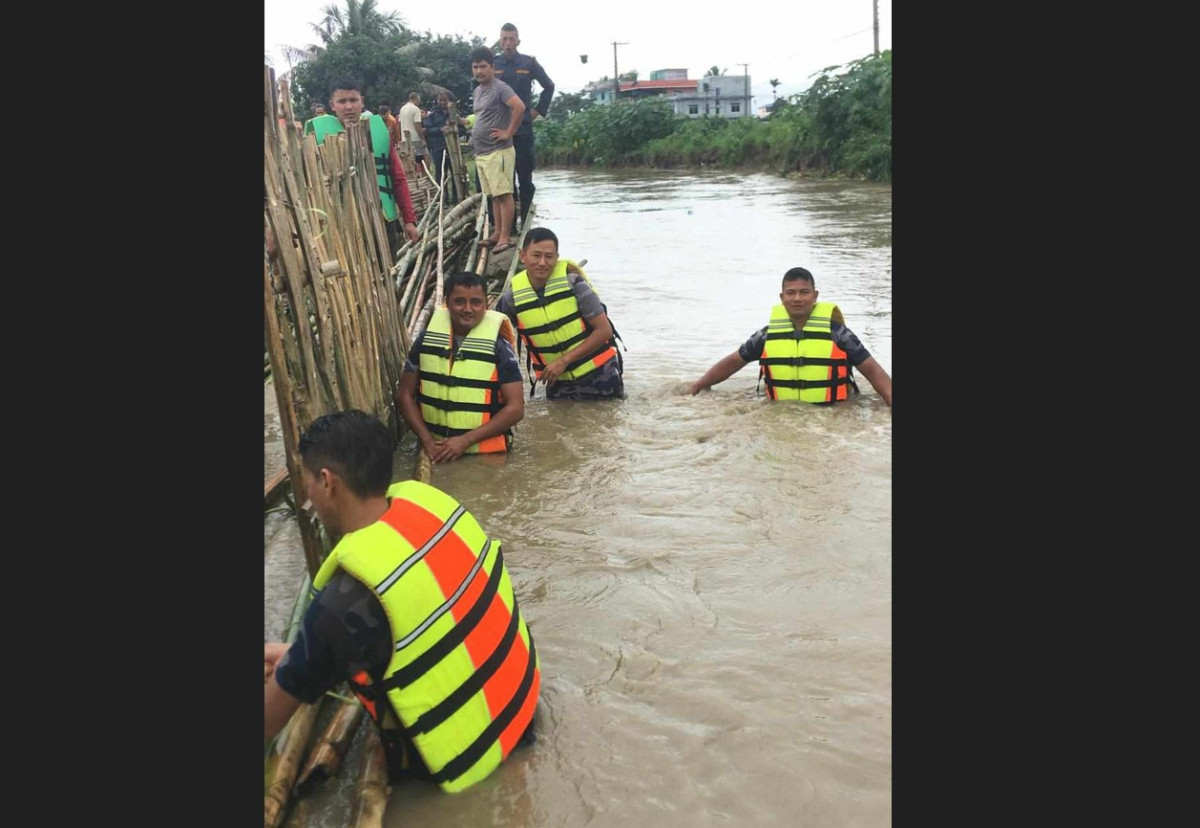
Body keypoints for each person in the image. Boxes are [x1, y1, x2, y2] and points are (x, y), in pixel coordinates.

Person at [264, 409, 541, 793]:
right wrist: (299, 653)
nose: (306, 492)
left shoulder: (343, 603)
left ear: (327, 482)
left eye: (306, 479)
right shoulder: (430, 506)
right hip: (522, 714)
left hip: (467, 763)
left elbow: (267, 718)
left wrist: (298, 661)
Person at [687, 267, 893, 405]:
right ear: (782, 297)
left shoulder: (838, 333)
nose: (797, 298)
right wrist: (699, 385)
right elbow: (733, 362)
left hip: (832, 413)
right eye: (791, 292)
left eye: (804, 292)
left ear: (815, 296)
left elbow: (873, 371)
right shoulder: (766, 335)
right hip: (779, 411)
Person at [395, 272, 525, 462]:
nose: (467, 309)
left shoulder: (500, 347)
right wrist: (427, 440)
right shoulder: (426, 340)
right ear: (447, 303)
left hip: (486, 457)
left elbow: (516, 408)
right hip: (434, 449)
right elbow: (404, 395)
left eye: (476, 302)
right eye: (459, 302)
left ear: (485, 306)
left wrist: (465, 440)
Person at [496, 227, 625, 401]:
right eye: (536, 255)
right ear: (522, 256)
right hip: (557, 383)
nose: (542, 262)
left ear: (557, 258)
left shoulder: (575, 285)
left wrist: (563, 361)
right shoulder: (510, 300)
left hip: (601, 375)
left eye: (549, 256)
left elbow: (604, 331)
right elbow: (498, 341)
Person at [304, 77, 420, 250]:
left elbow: (397, 177)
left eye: (353, 100)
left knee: (389, 269)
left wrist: (409, 220)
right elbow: (307, 184)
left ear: (361, 102)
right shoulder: (316, 137)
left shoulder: (379, 131)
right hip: (341, 222)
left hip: (382, 217)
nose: (349, 106)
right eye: (342, 101)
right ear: (332, 105)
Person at [493, 22, 555, 231]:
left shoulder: (528, 63)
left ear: (518, 41)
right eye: (504, 39)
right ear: (500, 41)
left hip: (523, 131)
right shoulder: (493, 65)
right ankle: (508, 230)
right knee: (505, 183)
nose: (508, 43)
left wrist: (538, 111)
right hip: (500, 132)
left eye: (512, 39)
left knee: (525, 179)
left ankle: (526, 226)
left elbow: (549, 85)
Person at [469, 46, 525, 254]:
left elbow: (519, 106)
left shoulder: (501, 88)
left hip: (498, 150)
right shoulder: (477, 90)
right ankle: (497, 232)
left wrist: (508, 132)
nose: (479, 71)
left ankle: (505, 236)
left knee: (504, 193)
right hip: (482, 152)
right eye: (475, 67)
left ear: (492, 68)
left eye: (483, 67)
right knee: (493, 195)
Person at [422, 91, 470, 201]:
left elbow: (463, 129)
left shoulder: (454, 113)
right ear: (437, 101)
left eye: (445, 100)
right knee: (440, 174)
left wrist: (454, 129)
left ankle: (457, 197)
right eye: (440, 100)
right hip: (439, 148)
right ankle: (443, 198)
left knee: (456, 173)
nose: (442, 102)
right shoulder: (433, 115)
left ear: (448, 101)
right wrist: (441, 129)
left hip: (453, 148)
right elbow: (428, 130)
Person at [398, 92, 430, 175]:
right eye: (418, 100)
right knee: (425, 154)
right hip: (415, 137)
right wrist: (422, 139)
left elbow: (399, 123)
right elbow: (417, 124)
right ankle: (426, 174)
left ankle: (412, 174)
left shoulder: (402, 109)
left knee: (410, 157)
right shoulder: (415, 109)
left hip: (405, 138)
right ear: (416, 99)